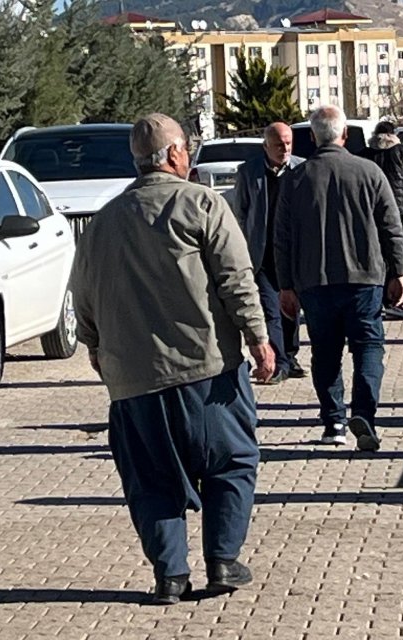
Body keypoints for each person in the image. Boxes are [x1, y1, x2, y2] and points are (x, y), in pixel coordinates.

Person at [70, 113, 273, 605]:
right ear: (177, 155)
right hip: (206, 372)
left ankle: (170, 577)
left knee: (151, 479)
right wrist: (259, 339)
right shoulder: (201, 203)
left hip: (133, 381)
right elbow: (235, 279)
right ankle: (223, 560)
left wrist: (96, 347)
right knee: (231, 463)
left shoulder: (103, 221)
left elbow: (83, 296)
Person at [275, 105, 403, 452]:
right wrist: (400, 271)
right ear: (344, 134)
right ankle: (364, 412)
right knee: (368, 347)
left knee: (325, 352)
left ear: (315, 137)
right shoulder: (369, 172)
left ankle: (334, 421)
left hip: (314, 281)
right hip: (365, 278)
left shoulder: (294, 179)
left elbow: (282, 238)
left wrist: (285, 284)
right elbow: (391, 227)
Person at [234, 122, 306, 383]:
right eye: (278, 144)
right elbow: (240, 213)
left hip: (292, 254)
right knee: (270, 309)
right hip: (262, 255)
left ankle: (290, 354)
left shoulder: (302, 168)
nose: (284, 148)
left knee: (290, 308)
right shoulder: (248, 172)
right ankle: (279, 364)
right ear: (266, 146)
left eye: (288, 143)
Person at [360, 121, 403, 318]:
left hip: (374, 213)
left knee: (379, 256)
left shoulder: (365, 154)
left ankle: (380, 299)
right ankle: (398, 299)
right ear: (394, 134)